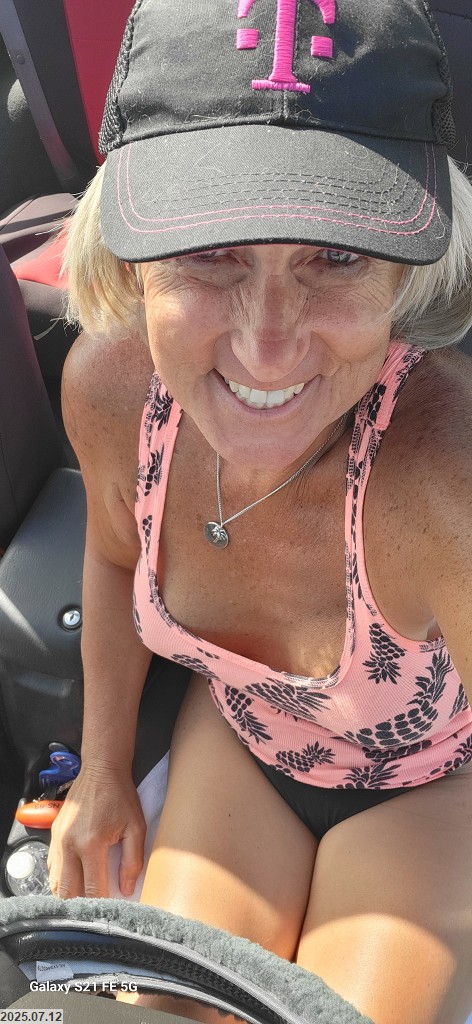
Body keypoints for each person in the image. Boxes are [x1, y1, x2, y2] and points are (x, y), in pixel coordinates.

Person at [48, 0, 472, 1021]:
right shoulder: (112, 391)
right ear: (129, 253)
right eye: (211, 252)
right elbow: (114, 558)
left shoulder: (445, 480)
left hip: (430, 788)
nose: (267, 347)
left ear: (411, 268)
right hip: (242, 743)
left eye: (337, 256)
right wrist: (101, 771)